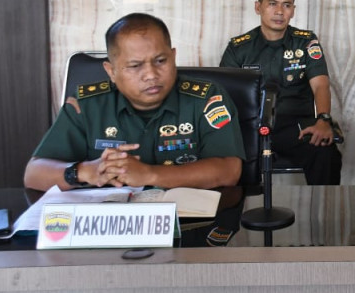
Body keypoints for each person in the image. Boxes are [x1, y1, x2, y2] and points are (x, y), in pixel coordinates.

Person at [24, 13, 243, 191]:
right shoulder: (88, 105)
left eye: (160, 61)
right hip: (110, 230)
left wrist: (149, 174)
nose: (150, 74)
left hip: (190, 228)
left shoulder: (206, 99)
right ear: (111, 71)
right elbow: (34, 174)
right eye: (135, 66)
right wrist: (85, 171)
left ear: (173, 56)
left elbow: (229, 170)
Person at [220, 0, 341, 185]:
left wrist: (323, 119)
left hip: (294, 127)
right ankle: (236, 214)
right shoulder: (239, 48)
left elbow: (321, 84)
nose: (279, 11)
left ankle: (325, 213)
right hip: (250, 127)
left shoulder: (305, 42)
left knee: (325, 152)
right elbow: (224, 94)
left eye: (286, 5)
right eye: (272, 3)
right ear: (258, 7)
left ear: (293, 10)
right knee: (222, 157)